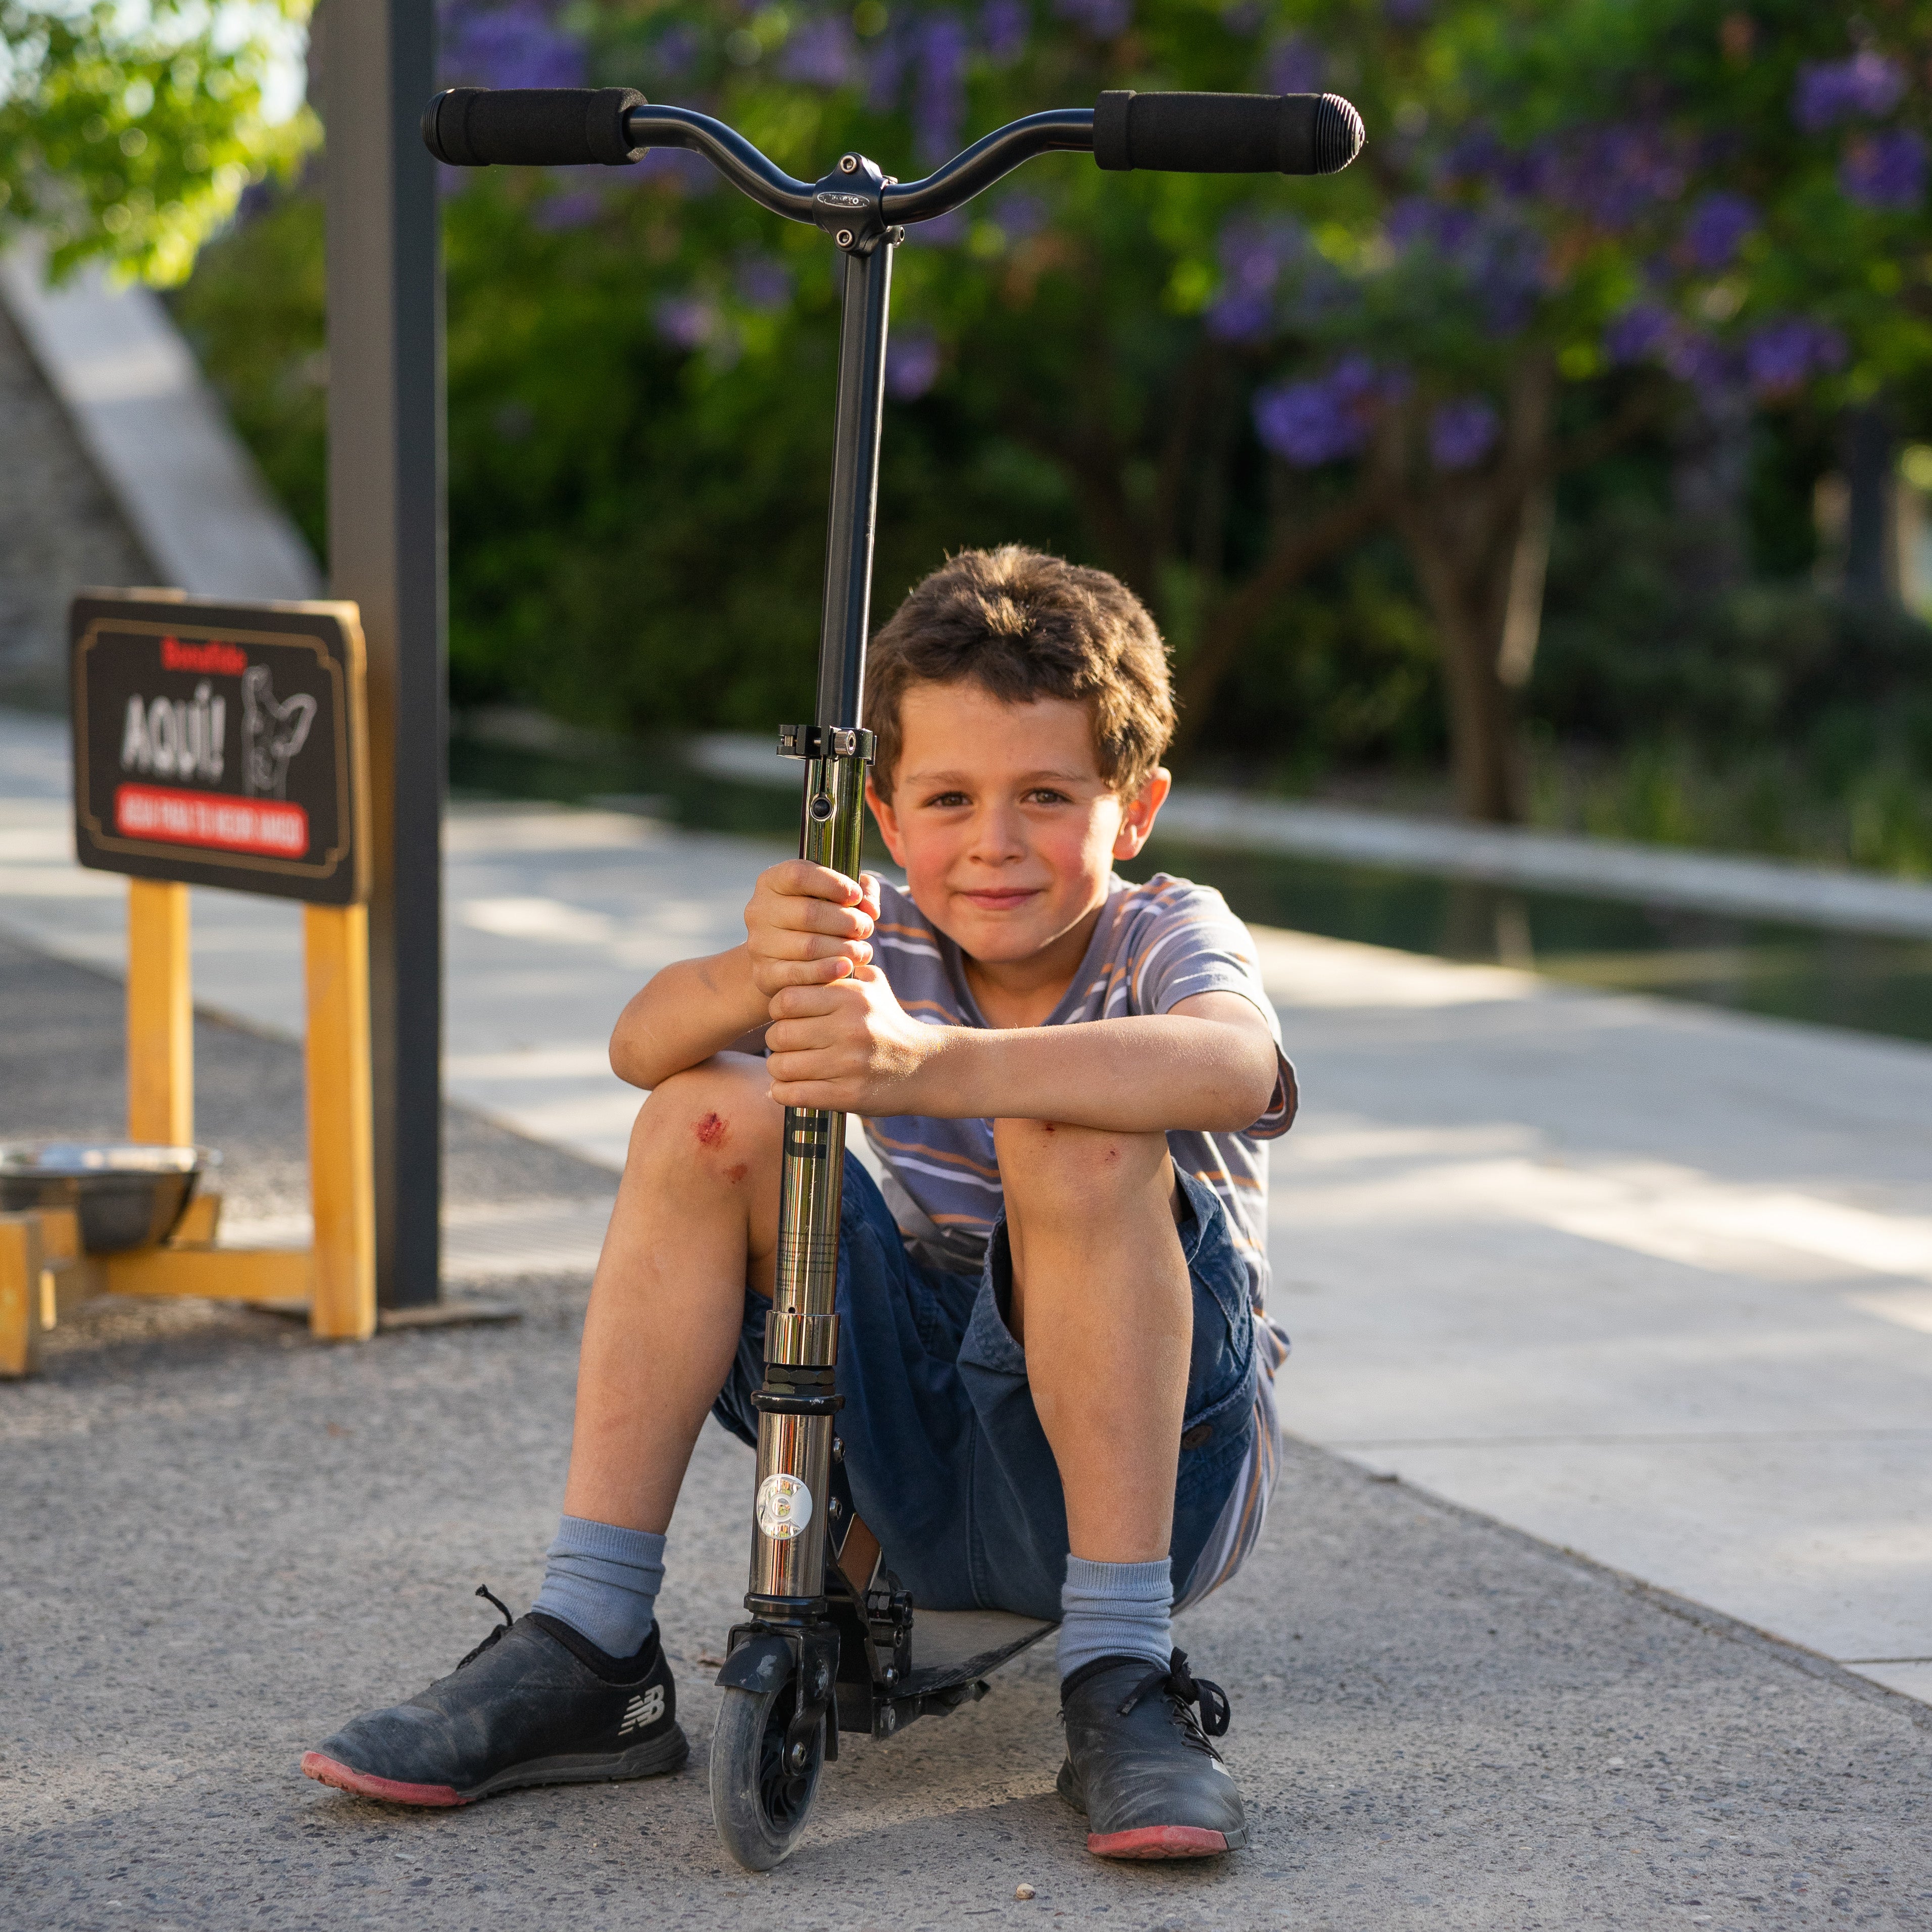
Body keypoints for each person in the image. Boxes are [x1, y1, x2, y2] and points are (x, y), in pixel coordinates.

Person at [302, 546, 1297, 1860]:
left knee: (1074, 1134)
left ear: (1135, 809)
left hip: (1164, 1458)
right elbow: (639, 1044)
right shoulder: (871, 930)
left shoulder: (1164, 932)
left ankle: (1124, 1670)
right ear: (885, 812)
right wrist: (749, 969)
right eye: (949, 798)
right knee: (707, 1110)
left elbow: (1235, 1065)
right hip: (916, 1443)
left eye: (1047, 796)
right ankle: (589, 1636)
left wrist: (932, 1063)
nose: (993, 842)